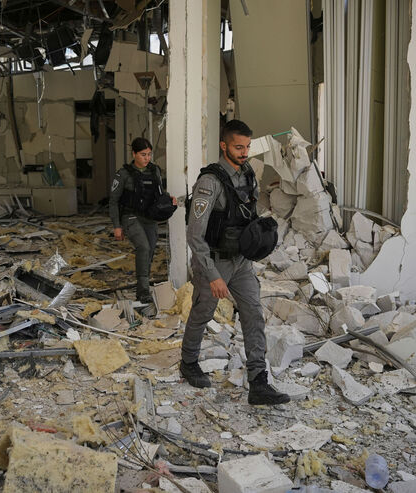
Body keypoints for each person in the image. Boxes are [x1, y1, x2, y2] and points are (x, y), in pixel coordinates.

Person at [180, 119, 290, 406]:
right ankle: (188, 361)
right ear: (224, 145)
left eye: (247, 147)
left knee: (253, 312)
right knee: (203, 313)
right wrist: (213, 275)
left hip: (241, 262)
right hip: (213, 262)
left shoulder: (248, 173)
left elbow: (247, 213)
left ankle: (258, 382)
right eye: (238, 147)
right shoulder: (209, 182)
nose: (244, 152)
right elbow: (194, 234)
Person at [109, 138, 176, 303]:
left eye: (149, 154)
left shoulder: (155, 171)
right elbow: (113, 201)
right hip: (130, 217)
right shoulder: (123, 174)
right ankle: (144, 290)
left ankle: (142, 287)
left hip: (149, 217)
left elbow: (160, 194)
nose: (147, 158)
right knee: (143, 247)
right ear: (134, 154)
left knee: (150, 250)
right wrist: (117, 226)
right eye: (143, 154)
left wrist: (169, 200)